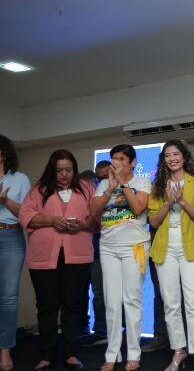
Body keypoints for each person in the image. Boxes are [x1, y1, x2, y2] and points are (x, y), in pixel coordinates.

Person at [19, 149, 95, 371]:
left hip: (78, 256)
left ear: (74, 169)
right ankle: (46, 355)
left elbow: (96, 218)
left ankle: (71, 354)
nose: (64, 174)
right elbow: (25, 215)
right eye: (59, 170)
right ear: (52, 169)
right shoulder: (38, 189)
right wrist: (52, 220)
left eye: (68, 170)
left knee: (73, 306)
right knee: (47, 307)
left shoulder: (86, 189)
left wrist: (81, 224)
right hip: (43, 258)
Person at [148, 140, 194, 371]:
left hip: (191, 247)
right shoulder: (158, 185)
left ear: (184, 157)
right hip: (165, 248)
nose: (172, 158)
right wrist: (168, 202)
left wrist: (182, 201)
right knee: (171, 304)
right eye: (167, 155)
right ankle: (179, 352)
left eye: (176, 154)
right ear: (163, 160)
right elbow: (153, 221)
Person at [90, 144, 151, 371]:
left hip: (134, 246)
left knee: (132, 299)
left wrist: (123, 184)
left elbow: (137, 208)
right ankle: (112, 354)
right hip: (108, 247)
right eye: (114, 159)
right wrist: (109, 189)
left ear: (133, 162)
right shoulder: (105, 184)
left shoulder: (142, 182)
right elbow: (93, 213)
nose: (117, 163)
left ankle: (133, 354)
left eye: (122, 159)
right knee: (112, 302)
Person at [0, 134, 31, 371]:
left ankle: (5, 351)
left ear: (4, 153)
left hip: (11, 237)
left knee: (8, 298)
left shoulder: (20, 179)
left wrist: (5, 200)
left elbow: (27, 214)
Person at [80, 161, 111, 347]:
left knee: (101, 293)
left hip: (107, 247)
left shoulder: (117, 193)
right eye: (98, 178)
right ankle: (88, 329)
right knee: (89, 292)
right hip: (87, 247)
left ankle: (102, 332)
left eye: (105, 177)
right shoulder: (92, 194)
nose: (102, 181)